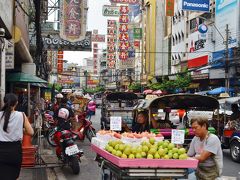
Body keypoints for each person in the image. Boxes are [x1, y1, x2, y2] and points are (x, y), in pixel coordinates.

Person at [0, 93, 34, 180]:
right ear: (16, 103)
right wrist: (20, 130)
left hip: (1, 150)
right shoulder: (21, 115)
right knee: (14, 176)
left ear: (4, 102)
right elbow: (31, 132)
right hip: (15, 151)